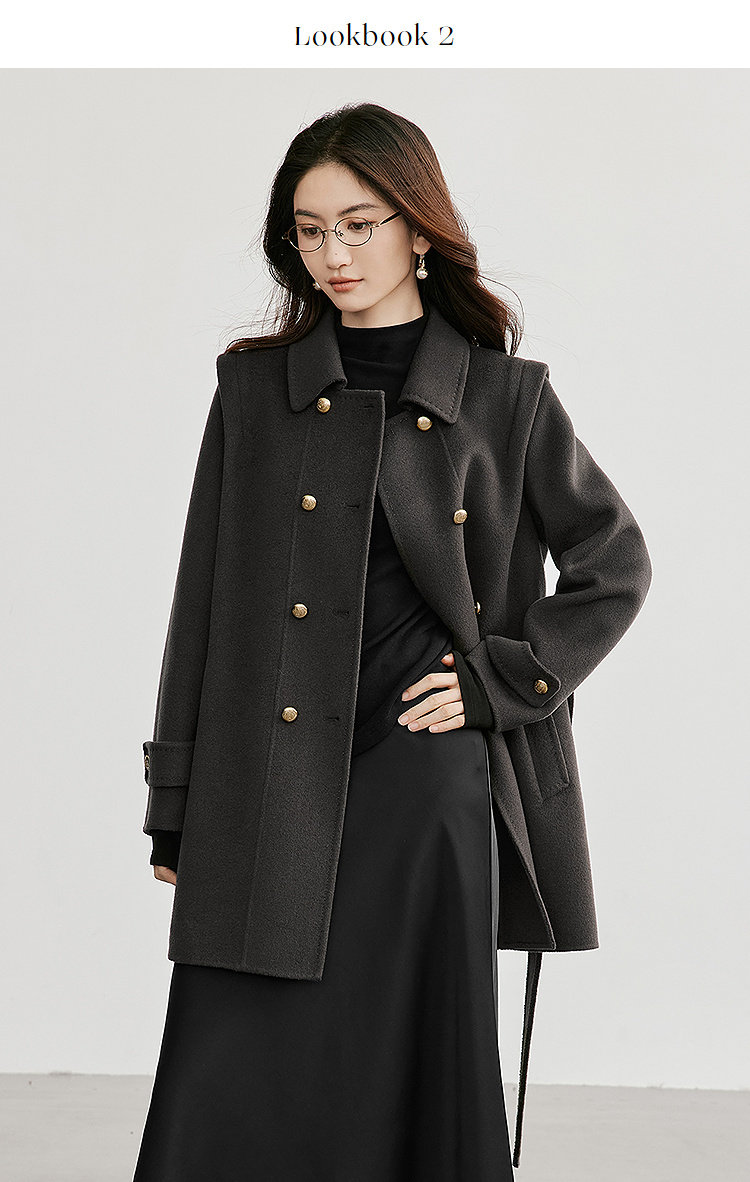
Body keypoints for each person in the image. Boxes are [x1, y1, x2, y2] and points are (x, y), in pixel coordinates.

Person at [133, 101, 652, 1181]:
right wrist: (176, 801)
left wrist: (501, 683)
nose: (334, 254)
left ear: (419, 229)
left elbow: (613, 561)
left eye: (359, 224)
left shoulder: (504, 399)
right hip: (270, 771)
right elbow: (203, 604)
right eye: (310, 230)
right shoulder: (253, 394)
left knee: (403, 1058)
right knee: (229, 1064)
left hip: (425, 773)